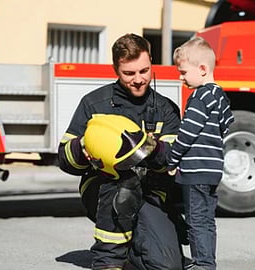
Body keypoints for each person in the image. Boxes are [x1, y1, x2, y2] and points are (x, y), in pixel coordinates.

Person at [58, 33, 187, 270]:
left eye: (144, 71)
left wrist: (148, 147)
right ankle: (108, 261)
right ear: (115, 69)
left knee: (167, 266)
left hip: (149, 192)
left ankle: (136, 248)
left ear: (151, 63)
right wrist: (82, 148)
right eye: (129, 73)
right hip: (101, 189)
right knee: (122, 182)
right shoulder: (94, 103)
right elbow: (64, 158)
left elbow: (170, 161)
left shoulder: (166, 109)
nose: (138, 79)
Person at [166, 37, 234, 270]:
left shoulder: (199, 97)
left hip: (195, 170)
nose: (180, 77)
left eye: (183, 72)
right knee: (207, 220)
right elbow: (227, 125)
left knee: (195, 220)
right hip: (213, 168)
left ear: (202, 69)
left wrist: (172, 159)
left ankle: (202, 264)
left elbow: (187, 132)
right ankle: (208, 261)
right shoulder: (220, 95)